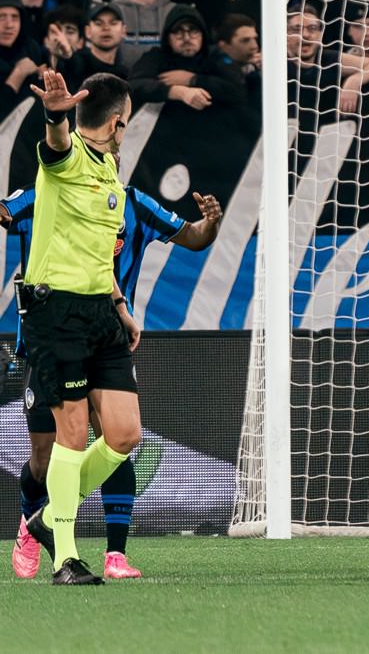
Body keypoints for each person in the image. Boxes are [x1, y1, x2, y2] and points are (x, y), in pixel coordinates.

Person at [6, 183, 221, 581]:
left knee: (118, 440)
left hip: (108, 341)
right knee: (44, 458)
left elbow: (193, 237)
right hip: (52, 338)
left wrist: (211, 224)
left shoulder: (133, 203)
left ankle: (113, 553)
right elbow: (6, 212)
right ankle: (32, 524)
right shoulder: (48, 190)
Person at [11, 70, 139, 583]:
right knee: (71, 431)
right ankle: (66, 556)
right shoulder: (66, 163)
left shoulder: (111, 174)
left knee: (125, 433)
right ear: (115, 122)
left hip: (100, 313)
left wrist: (120, 305)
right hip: (54, 313)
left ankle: (45, 516)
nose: (125, 130)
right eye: (126, 123)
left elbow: (99, 255)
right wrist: (55, 114)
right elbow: (56, 146)